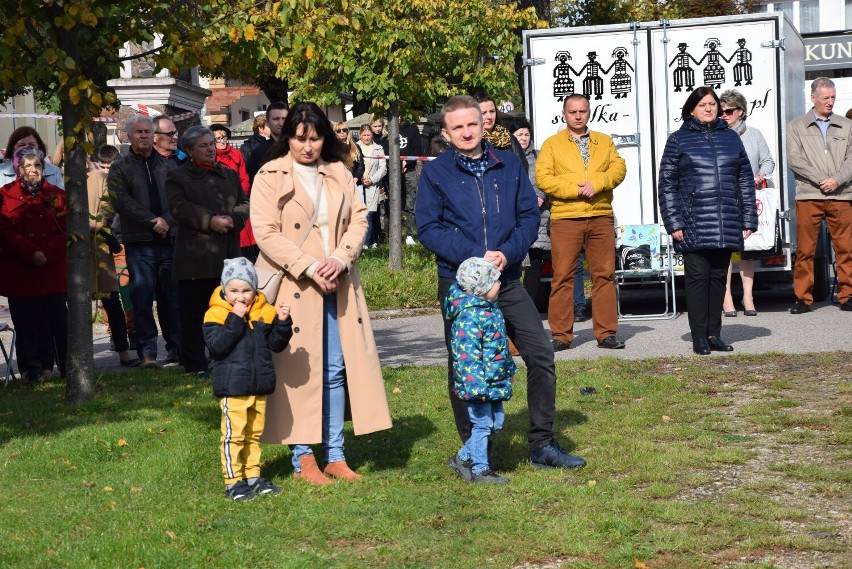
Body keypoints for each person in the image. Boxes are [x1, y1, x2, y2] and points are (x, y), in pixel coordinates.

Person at [416, 95, 586, 473]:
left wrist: (505, 254)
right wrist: (476, 257)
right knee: (464, 365)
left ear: (484, 125)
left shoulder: (508, 164)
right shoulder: (435, 172)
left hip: (507, 279)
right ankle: (476, 452)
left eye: (471, 124)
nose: (465, 132)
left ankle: (542, 443)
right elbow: (427, 227)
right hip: (460, 285)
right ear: (446, 132)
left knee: (540, 352)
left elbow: (529, 215)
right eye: (457, 127)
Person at [251, 102, 392, 485]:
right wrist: (312, 267)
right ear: (287, 138)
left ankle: (334, 453)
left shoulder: (338, 172)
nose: (308, 147)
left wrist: (340, 259)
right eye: (300, 139)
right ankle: (302, 457)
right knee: (298, 373)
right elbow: (265, 232)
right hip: (293, 285)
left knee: (333, 371)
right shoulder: (269, 174)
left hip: (338, 282)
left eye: (315, 138)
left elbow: (360, 219)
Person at [658, 87, 756, 355]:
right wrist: (674, 222)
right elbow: (667, 184)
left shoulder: (731, 138)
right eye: (703, 105)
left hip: (725, 220)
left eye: (712, 104)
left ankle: (715, 334)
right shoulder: (678, 140)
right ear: (691, 109)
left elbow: (745, 180)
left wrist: (748, 217)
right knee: (698, 280)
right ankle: (699, 337)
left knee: (717, 280)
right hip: (693, 222)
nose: (709, 108)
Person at [536, 94, 628, 351]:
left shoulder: (604, 141)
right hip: (566, 217)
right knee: (563, 277)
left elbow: (618, 169)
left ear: (589, 112)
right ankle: (561, 335)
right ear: (564, 114)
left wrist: (596, 184)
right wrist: (575, 190)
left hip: (600, 215)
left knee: (604, 276)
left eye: (583, 111)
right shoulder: (552, 144)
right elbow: (543, 178)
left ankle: (607, 333)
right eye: (573, 111)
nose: (578, 116)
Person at [203, 257, 294, 501]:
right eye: (233, 290)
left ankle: (253, 476)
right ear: (224, 290)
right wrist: (235, 317)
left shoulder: (264, 311)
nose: (240, 296)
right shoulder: (216, 313)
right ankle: (233, 481)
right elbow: (217, 346)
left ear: (255, 290)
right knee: (234, 435)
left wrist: (283, 322)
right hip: (233, 387)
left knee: (254, 434)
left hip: (259, 385)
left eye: (246, 290)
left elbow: (276, 344)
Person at [166, 126, 250, 378]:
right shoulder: (178, 176)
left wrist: (235, 219)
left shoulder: (228, 173)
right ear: (190, 151)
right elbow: (179, 207)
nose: (210, 148)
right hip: (195, 256)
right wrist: (210, 220)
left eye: (211, 143)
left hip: (227, 254)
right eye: (203, 146)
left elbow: (245, 202)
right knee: (194, 313)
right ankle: (194, 363)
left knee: (228, 309)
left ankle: (226, 358)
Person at [108, 114, 181, 369]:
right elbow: (121, 202)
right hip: (139, 241)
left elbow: (179, 200)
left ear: (154, 135)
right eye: (138, 132)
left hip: (168, 239)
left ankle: (175, 348)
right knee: (141, 297)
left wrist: (167, 221)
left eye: (147, 132)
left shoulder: (169, 166)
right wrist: (153, 221)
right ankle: (147, 352)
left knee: (170, 297)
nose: (143, 136)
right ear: (129, 136)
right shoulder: (120, 168)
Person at [445, 257, 515, 485]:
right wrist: (476, 386)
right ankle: (480, 469)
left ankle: (462, 457)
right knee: (483, 424)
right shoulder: (468, 317)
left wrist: (509, 368)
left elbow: (500, 346)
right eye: (495, 282)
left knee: (497, 423)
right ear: (480, 288)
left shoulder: (490, 309)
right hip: (479, 384)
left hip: (495, 380)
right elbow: (468, 358)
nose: (500, 285)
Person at [0, 147, 68, 382]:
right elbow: (4, 231)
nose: (32, 170)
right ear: (18, 170)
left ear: (43, 169)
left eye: (37, 165)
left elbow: (66, 228)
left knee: (57, 319)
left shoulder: (57, 195)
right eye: (27, 166)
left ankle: (61, 367)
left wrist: (47, 253)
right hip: (21, 268)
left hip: (52, 267)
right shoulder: (5, 195)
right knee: (26, 321)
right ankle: (32, 369)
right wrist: (31, 253)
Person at [787, 77, 852, 313]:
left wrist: (837, 179)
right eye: (826, 98)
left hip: (841, 194)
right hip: (808, 195)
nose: (830, 102)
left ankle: (847, 295)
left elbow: (851, 159)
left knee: (846, 248)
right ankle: (803, 299)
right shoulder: (796, 126)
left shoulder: (847, 125)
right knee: (805, 250)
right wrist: (821, 180)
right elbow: (795, 160)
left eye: (833, 97)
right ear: (813, 98)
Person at [719, 89, 775, 317]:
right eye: (721, 111)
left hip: (750, 198)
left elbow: (768, 161)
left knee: (748, 250)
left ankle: (748, 296)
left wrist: (761, 175)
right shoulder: (716, 134)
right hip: (724, 199)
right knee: (724, 250)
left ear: (741, 112)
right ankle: (727, 299)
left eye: (729, 111)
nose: (724, 115)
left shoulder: (754, 134)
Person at [87, 144, 139, 368]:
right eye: (104, 165)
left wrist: (100, 224)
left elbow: (111, 207)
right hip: (85, 244)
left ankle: (125, 344)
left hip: (107, 242)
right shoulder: (80, 178)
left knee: (116, 296)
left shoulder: (104, 178)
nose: (107, 169)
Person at [211, 123, 257, 261]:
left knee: (244, 248)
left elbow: (244, 179)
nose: (222, 141)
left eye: (224, 137)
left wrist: (239, 198)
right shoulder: (210, 156)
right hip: (218, 205)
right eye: (218, 138)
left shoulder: (236, 154)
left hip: (238, 203)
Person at [473, 92, 528, 172]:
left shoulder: (508, 138)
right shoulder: (471, 140)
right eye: (483, 113)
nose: (489, 117)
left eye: (492, 111)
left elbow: (523, 167)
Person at [356, 124, 387, 247]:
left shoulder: (378, 148)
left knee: (369, 214)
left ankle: (367, 243)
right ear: (360, 135)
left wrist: (372, 180)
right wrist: (358, 177)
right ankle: (367, 240)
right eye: (364, 135)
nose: (367, 137)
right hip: (358, 184)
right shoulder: (355, 147)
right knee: (359, 214)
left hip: (372, 185)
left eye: (369, 135)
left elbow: (383, 168)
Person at [246, 101, 289, 182]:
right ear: (267, 123)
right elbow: (255, 185)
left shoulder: (297, 148)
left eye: (284, 119)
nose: (281, 123)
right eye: (276, 119)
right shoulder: (258, 153)